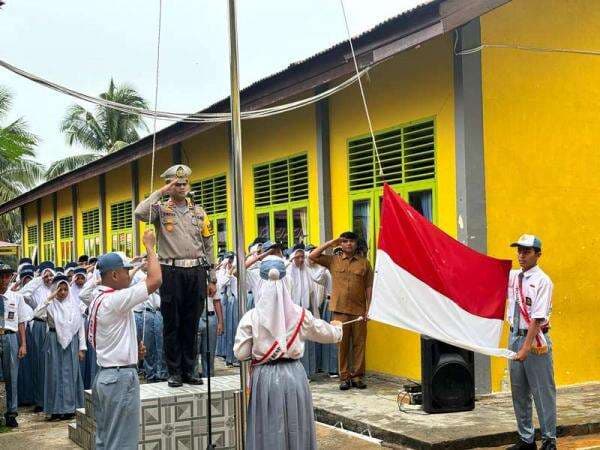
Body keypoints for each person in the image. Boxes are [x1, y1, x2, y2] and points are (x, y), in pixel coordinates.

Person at [234, 256, 343, 450]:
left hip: (264, 378)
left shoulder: (251, 317)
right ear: (286, 281)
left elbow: (240, 353)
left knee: (268, 427)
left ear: (261, 281)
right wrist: (338, 328)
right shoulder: (301, 315)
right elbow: (328, 334)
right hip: (294, 375)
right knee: (295, 425)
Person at [135, 164, 217, 387]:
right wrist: (161, 192)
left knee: (191, 323)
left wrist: (212, 276)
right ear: (169, 186)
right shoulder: (161, 210)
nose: (181, 187)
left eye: (184, 183)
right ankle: (174, 372)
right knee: (172, 323)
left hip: (196, 271)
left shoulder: (199, 212)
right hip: (171, 271)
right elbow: (139, 213)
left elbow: (209, 245)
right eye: (176, 184)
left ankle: (190, 369)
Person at [84, 230, 162, 450]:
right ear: (115, 275)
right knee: (122, 443)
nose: (130, 275)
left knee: (107, 440)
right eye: (126, 271)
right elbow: (155, 280)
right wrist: (150, 246)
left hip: (107, 374)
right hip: (119, 378)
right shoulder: (115, 299)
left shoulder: (98, 297)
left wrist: (131, 351)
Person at [506, 234, 556, 450]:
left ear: (538, 254)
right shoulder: (514, 277)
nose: (521, 255)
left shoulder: (543, 281)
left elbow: (537, 318)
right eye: (519, 250)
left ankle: (548, 440)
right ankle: (526, 439)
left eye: (526, 251)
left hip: (535, 341)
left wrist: (526, 347)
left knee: (542, 392)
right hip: (515, 336)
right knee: (519, 391)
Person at [309, 231, 373, 390]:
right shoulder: (333, 261)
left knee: (359, 345)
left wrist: (369, 309)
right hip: (339, 310)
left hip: (359, 310)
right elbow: (312, 256)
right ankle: (344, 377)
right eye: (345, 241)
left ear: (356, 244)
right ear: (341, 245)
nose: (348, 244)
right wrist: (332, 242)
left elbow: (369, 287)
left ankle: (357, 377)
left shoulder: (364, 263)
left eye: (351, 241)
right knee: (342, 345)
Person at [33, 273, 86, 421]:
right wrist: (50, 297)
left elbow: (80, 327)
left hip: (71, 344)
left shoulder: (73, 305)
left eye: (65, 290)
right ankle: (55, 410)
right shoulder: (50, 306)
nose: (62, 293)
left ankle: (70, 409)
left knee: (70, 375)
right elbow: (36, 313)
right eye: (59, 290)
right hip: (53, 341)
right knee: (54, 375)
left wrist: (82, 348)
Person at [20, 260, 55, 411]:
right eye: (46, 276)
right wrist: (38, 279)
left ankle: (53, 399)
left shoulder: (59, 288)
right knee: (39, 365)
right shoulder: (37, 290)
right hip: (40, 326)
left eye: (50, 275)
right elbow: (23, 294)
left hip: (54, 328)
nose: (48, 278)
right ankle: (40, 400)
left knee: (53, 365)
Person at [0, 262, 29, 427]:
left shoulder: (16, 297)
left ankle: (11, 413)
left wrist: (23, 344)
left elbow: (21, 322)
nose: (4, 279)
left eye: (7, 276)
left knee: (12, 376)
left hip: (10, 337)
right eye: (1, 276)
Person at [286, 246, 322, 379]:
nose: (301, 260)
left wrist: (315, 315)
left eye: (302, 257)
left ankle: (308, 372)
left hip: (306, 311)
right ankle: (296, 374)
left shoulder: (307, 271)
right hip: (292, 313)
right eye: (298, 257)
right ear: (292, 257)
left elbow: (312, 295)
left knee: (307, 342)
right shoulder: (288, 272)